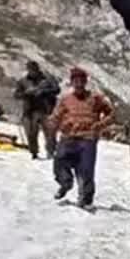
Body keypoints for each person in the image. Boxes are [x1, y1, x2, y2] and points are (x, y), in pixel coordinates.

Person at [48, 67, 114, 208]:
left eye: (81, 81)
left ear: (85, 82)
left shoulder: (96, 98)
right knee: (59, 162)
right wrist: (53, 131)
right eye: (75, 81)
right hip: (68, 137)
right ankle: (66, 183)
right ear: (71, 82)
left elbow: (111, 114)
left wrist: (100, 125)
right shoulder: (65, 99)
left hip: (88, 139)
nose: (78, 84)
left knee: (86, 169)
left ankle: (86, 198)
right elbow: (55, 117)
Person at [13, 60, 60, 160]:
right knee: (30, 133)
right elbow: (16, 95)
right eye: (30, 69)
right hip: (29, 111)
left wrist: (43, 92)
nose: (32, 71)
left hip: (46, 110)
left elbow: (56, 89)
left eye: (34, 69)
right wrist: (26, 93)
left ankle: (51, 152)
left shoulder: (48, 79)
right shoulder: (23, 81)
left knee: (50, 132)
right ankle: (34, 152)